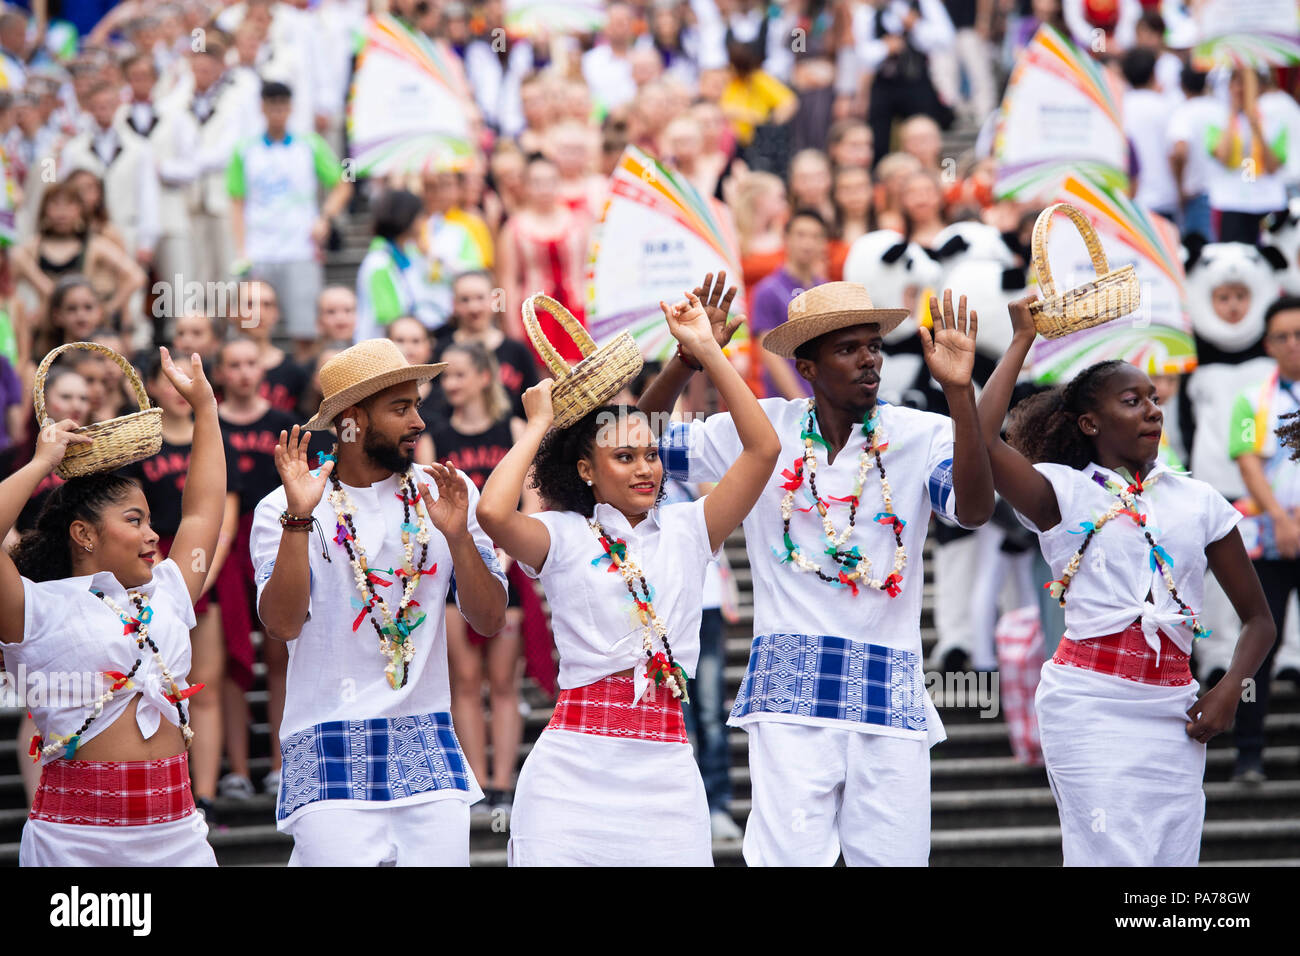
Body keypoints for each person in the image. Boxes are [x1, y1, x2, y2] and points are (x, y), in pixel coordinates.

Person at [640, 281, 994, 865]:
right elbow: (627, 439)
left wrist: (958, 394)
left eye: (874, 345)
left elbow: (975, 510)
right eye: (848, 348)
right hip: (791, 694)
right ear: (806, 365)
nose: (869, 359)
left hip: (891, 696)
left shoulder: (921, 432)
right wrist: (687, 360)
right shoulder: (761, 428)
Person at [477, 290, 781, 865]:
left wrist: (705, 352)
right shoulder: (562, 535)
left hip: (666, 770)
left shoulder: (692, 528)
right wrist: (538, 425)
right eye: (624, 458)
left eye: (651, 454)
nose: (645, 468)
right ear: (586, 470)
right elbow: (492, 513)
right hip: (569, 773)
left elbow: (763, 448)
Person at [976, 295, 1274, 865]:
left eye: (1154, 400)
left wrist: (1230, 687)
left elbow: (1259, 619)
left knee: (1169, 863)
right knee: (1108, 855)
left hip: (1174, 711)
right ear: (1090, 422)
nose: (1152, 411)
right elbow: (986, 443)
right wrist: (1020, 342)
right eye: (1132, 401)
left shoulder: (1199, 500)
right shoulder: (1061, 491)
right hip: (1088, 705)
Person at [250, 339, 508, 866]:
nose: (418, 421)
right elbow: (280, 625)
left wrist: (458, 538)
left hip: (427, 742)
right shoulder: (282, 505)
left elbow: (490, 619)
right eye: (400, 408)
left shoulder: (448, 497)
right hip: (326, 741)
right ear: (352, 420)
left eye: (416, 404)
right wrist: (298, 519)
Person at [1, 347, 224, 865]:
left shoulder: (166, 592)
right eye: (134, 521)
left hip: (179, 837)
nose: (152, 536)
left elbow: (203, 511)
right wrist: (41, 464)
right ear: (83, 534)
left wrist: (206, 411)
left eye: (149, 520)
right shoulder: (35, 605)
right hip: (75, 846)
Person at [118, 353, 242, 818]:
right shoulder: (135, 446)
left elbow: (218, 516)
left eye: (186, 382)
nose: (176, 389)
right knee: (144, 685)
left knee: (202, 688)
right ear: (150, 386)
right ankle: (158, 793)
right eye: (167, 381)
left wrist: (193, 580)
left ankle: (203, 795)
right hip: (145, 563)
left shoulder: (211, 439)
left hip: (199, 559)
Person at [429, 340, 532, 815]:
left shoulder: (511, 428)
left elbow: (532, 502)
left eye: (459, 374)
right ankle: (474, 783)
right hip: (454, 570)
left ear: (485, 377)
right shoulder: (436, 436)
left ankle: (503, 785)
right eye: (446, 377)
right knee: (465, 682)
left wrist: (508, 555)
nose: (450, 384)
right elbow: (429, 508)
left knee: (503, 680)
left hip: (508, 565)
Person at [227, 80, 353, 364]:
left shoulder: (309, 145)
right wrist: (240, 248)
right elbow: (237, 202)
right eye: (272, 107)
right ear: (262, 108)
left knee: (305, 329)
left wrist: (325, 218)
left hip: (300, 249)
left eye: (283, 107)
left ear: (290, 109)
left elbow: (343, 183)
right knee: (252, 328)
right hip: (259, 250)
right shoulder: (244, 150)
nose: (277, 113)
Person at [1227, 295, 1300, 782]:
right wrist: (1282, 520)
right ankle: (1248, 750)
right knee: (1258, 646)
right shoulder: (1253, 399)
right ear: (1268, 343)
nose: (1292, 345)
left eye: (1299, 334)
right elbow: (1247, 460)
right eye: (1282, 336)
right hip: (1273, 541)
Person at [750, 209, 829, 399]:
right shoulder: (768, 290)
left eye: (816, 236)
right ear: (786, 238)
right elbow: (769, 353)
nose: (808, 243)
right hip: (787, 403)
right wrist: (801, 401)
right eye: (801, 235)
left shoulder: (826, 289)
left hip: (826, 399)